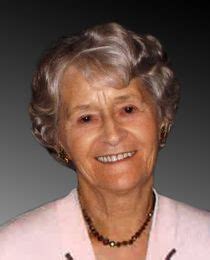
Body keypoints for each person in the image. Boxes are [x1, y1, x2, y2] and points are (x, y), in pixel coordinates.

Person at [0, 22, 209, 260]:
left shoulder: (205, 239)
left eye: (128, 109)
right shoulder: (13, 249)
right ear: (57, 139)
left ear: (162, 118)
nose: (112, 135)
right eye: (86, 118)